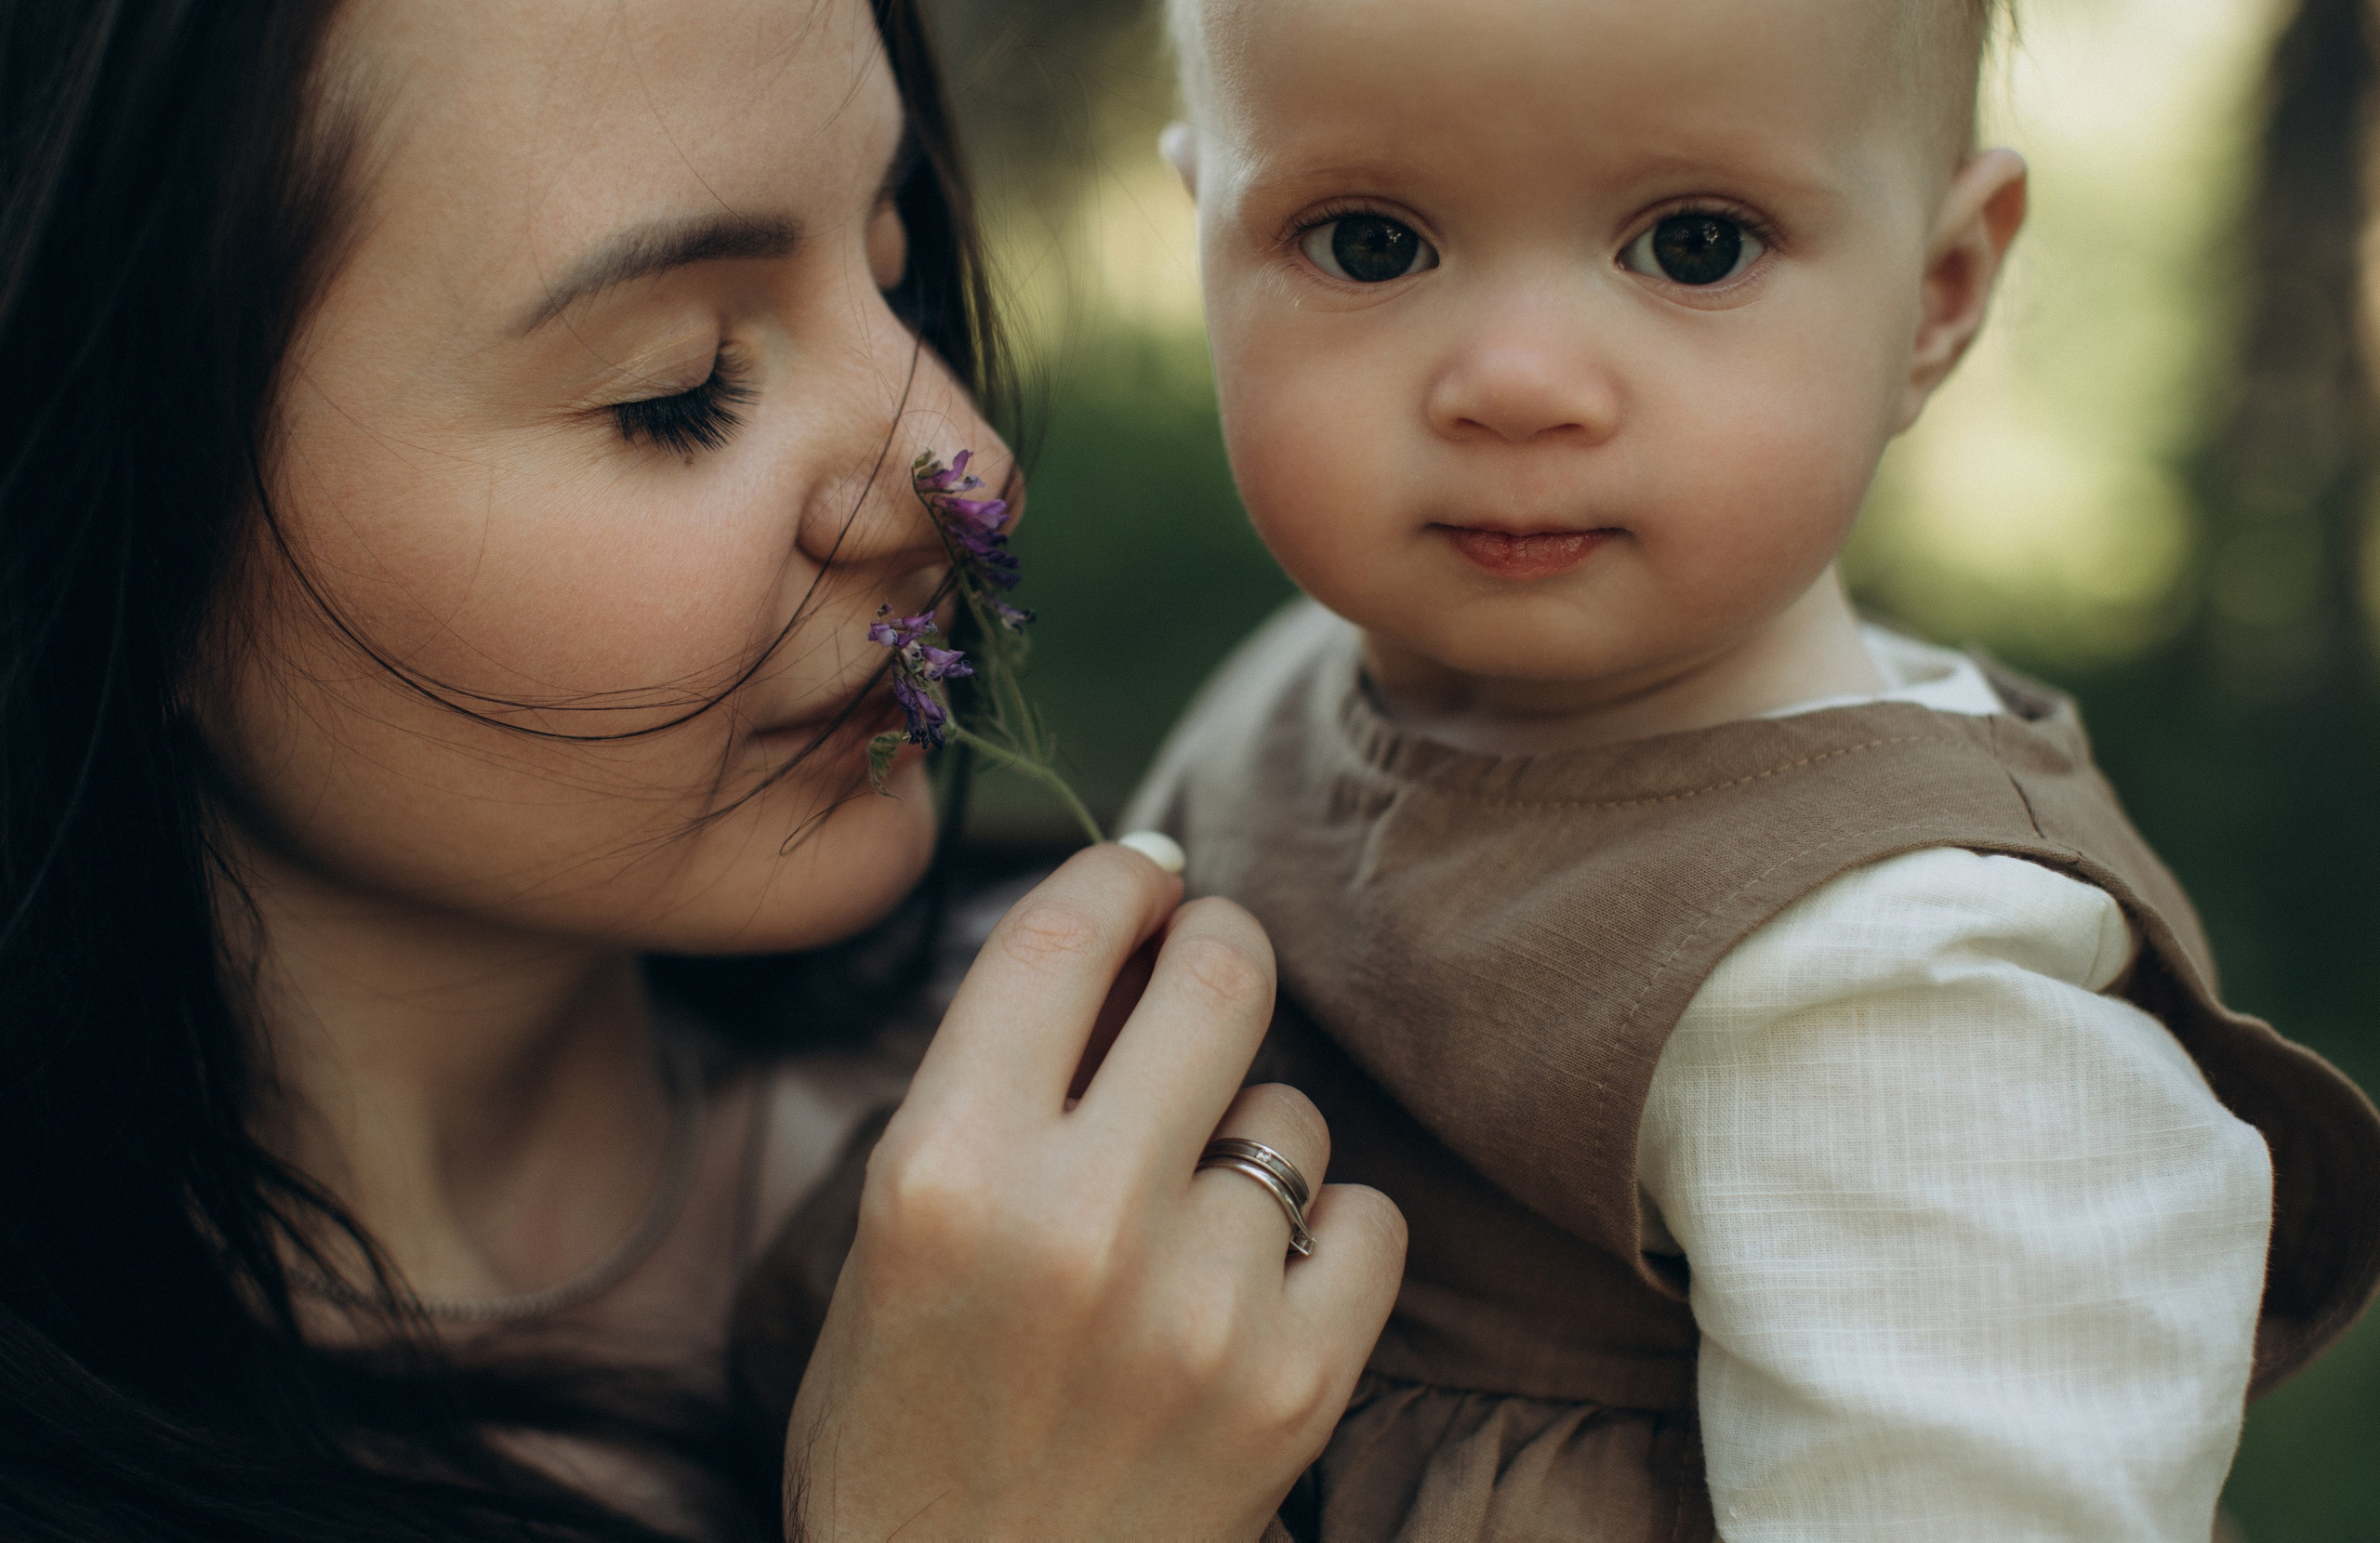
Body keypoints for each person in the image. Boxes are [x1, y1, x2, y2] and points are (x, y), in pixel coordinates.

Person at [0, 2, 1404, 1539]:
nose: (967, 458)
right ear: (102, 507)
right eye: (678, 392)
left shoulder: (1149, 1086)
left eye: (894, 268)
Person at [1129, 0, 2380, 1536]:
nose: (1517, 384)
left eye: (1696, 246)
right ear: (1207, 247)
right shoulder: (1305, 675)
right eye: (1371, 244)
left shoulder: (1894, 992)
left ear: (1937, 292)